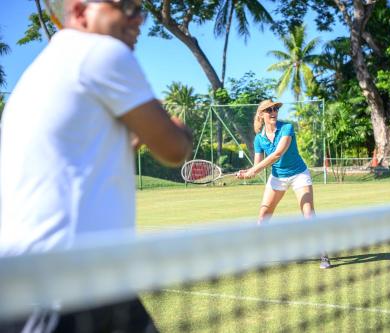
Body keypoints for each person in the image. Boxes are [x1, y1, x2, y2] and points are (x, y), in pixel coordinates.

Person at [0, 0, 192, 332]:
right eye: (126, 7)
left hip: (66, 282)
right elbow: (174, 149)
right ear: (79, 12)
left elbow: (74, 167)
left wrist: (126, 144)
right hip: (67, 287)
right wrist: (178, 126)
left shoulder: (40, 72)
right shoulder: (102, 52)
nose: (138, 19)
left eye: (139, 8)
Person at [236, 99, 332, 269]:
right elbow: (257, 165)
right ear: (261, 115)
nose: (274, 112)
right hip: (277, 177)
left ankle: (323, 255)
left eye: (276, 109)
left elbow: (277, 154)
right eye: (269, 110)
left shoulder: (286, 128)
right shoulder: (259, 139)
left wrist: (253, 170)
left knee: (308, 213)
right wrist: (246, 173)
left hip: (298, 174)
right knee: (263, 216)